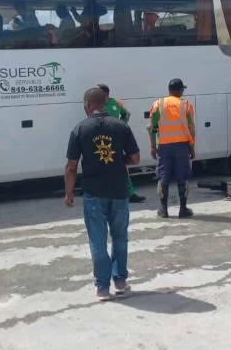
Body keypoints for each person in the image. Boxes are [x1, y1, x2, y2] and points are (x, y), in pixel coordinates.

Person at [65, 87, 140, 301]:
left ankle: (102, 288)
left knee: (97, 241)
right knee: (120, 237)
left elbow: (71, 166)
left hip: (93, 193)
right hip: (119, 190)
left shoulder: (79, 129)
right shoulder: (120, 126)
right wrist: (117, 163)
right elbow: (135, 158)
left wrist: (69, 194)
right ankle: (120, 281)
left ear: (88, 105)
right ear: (104, 103)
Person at [148, 78, 196, 218]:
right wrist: (192, 147)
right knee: (183, 177)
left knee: (163, 177)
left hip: (164, 147)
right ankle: (183, 209)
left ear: (169, 90)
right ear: (180, 90)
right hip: (182, 146)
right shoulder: (185, 105)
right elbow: (191, 128)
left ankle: (163, 210)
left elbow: (151, 127)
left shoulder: (158, 104)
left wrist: (152, 146)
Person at [96, 83, 145, 204]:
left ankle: (130, 193)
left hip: (116, 140)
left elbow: (126, 114)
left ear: (104, 94)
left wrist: (122, 125)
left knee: (122, 166)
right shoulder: (97, 106)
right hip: (103, 141)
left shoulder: (115, 103)